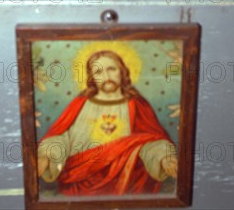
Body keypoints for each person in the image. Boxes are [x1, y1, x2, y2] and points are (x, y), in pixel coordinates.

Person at [37, 50, 178, 196]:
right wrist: (47, 156)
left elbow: (151, 140)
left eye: (111, 69)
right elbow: (61, 137)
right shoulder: (81, 103)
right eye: (98, 71)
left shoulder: (137, 104)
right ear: (92, 77)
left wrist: (163, 157)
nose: (106, 76)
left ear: (122, 71)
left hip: (125, 179)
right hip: (80, 180)